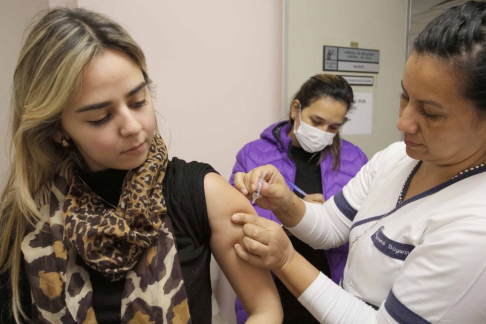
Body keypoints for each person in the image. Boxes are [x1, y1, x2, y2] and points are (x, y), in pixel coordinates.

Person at [0, 7, 283, 324]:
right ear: (58, 129)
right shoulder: (23, 222)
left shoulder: (202, 193)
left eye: (138, 101)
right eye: (101, 117)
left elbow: (266, 310)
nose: (133, 126)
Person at [231, 1, 486, 323]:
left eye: (431, 113)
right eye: (404, 96)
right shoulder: (397, 158)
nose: (403, 122)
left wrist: (285, 259)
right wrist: (285, 203)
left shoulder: (476, 229)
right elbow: (332, 225)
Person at [229, 74, 367, 323]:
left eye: (334, 127)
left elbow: (366, 231)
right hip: (270, 288)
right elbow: (234, 227)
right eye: (317, 121)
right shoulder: (253, 156)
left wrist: (331, 218)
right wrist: (299, 219)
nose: (325, 133)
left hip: (331, 291)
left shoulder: (355, 160)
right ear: (296, 109)